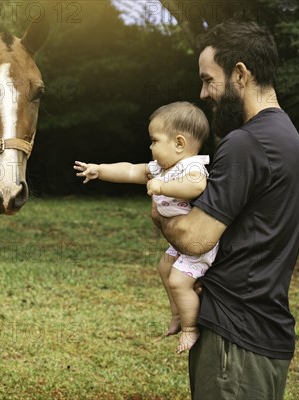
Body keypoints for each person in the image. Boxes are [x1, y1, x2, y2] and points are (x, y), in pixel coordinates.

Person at [150, 20, 299, 399]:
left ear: (240, 74)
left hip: (234, 340)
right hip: (266, 333)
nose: (204, 93)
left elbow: (193, 238)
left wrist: (160, 213)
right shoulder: (289, 139)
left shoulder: (246, 143)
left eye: (209, 80)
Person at [74, 101, 217, 353]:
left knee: (178, 281)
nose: (150, 147)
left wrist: (163, 187)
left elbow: (196, 187)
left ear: (179, 143)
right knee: (164, 267)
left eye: (154, 140)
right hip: (179, 243)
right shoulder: (162, 167)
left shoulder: (191, 166)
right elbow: (130, 171)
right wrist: (100, 170)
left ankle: (191, 328)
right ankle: (177, 314)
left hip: (197, 246)